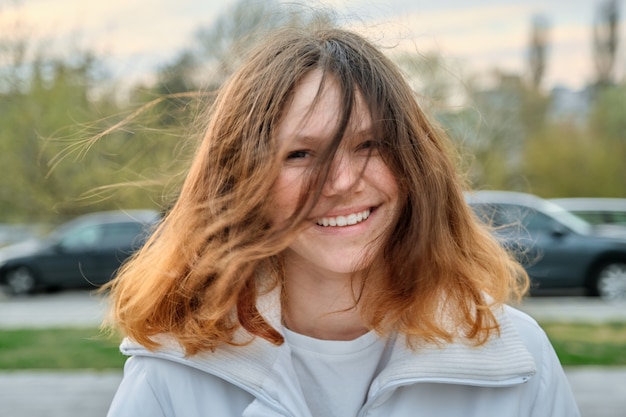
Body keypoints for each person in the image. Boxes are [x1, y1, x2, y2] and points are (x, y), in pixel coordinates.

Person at [104, 24, 580, 417]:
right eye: (301, 153)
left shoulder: (517, 357)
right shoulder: (173, 370)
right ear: (241, 180)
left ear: (414, 164)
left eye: (368, 144)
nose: (341, 181)